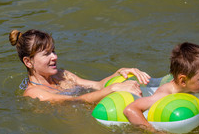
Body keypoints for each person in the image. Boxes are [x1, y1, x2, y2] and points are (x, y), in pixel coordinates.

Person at [9, 29, 151, 103]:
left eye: (54, 51)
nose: (55, 57)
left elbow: (98, 86)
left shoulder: (62, 74)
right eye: (47, 54)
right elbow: (77, 101)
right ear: (28, 62)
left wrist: (119, 73)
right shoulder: (33, 93)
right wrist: (113, 88)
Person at [124, 42, 199, 132]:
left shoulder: (188, 83)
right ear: (183, 81)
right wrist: (155, 132)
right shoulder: (163, 95)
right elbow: (130, 109)